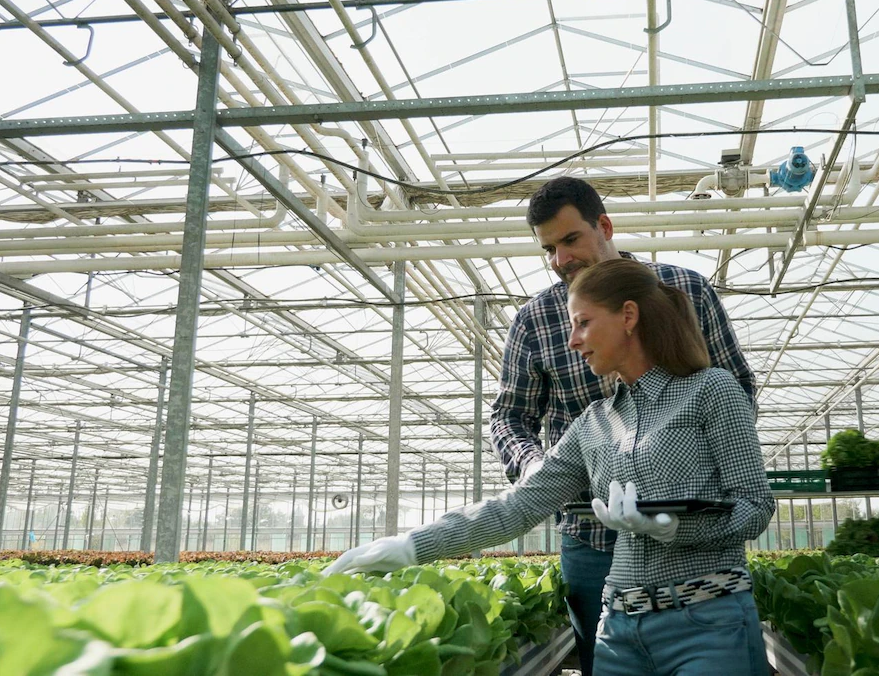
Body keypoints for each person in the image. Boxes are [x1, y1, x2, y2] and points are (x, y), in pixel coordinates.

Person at [324, 259, 776, 676]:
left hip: (708, 625)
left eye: (582, 323)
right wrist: (410, 547)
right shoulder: (594, 424)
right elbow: (516, 508)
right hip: (618, 632)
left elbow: (756, 507)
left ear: (629, 316)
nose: (572, 340)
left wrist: (672, 528)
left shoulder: (711, 391)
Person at [488, 177, 755, 675]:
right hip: (590, 538)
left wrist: (697, 458)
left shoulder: (685, 289)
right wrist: (542, 470)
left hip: (691, 530)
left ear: (604, 226)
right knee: (608, 660)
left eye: (570, 240)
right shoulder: (535, 319)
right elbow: (509, 416)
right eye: (548, 248)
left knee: (705, 641)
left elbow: (735, 387)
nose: (559, 259)